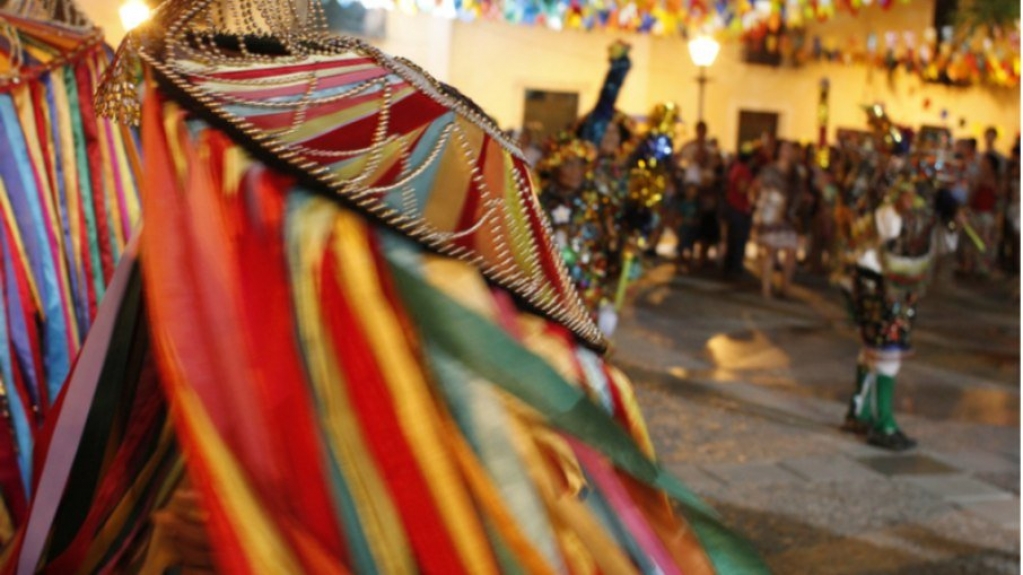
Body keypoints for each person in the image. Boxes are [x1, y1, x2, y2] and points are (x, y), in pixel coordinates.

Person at [841, 181, 939, 451]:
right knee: (888, 351)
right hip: (880, 284)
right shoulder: (888, 207)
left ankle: (860, 412)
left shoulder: (915, 208)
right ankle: (882, 423)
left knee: (876, 349)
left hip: (888, 282)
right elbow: (889, 229)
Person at [754, 140, 802, 298]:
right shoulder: (769, 171)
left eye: (790, 149)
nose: (787, 152)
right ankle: (766, 288)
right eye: (785, 148)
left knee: (791, 252)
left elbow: (799, 194)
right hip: (773, 214)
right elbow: (757, 187)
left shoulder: (796, 173)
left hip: (789, 216)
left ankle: (785, 287)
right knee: (771, 252)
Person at [722, 146, 755, 279]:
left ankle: (730, 266)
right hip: (739, 209)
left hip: (734, 208)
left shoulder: (735, 168)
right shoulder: (742, 170)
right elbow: (742, 187)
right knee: (738, 240)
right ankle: (735, 267)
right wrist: (752, 190)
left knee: (733, 239)